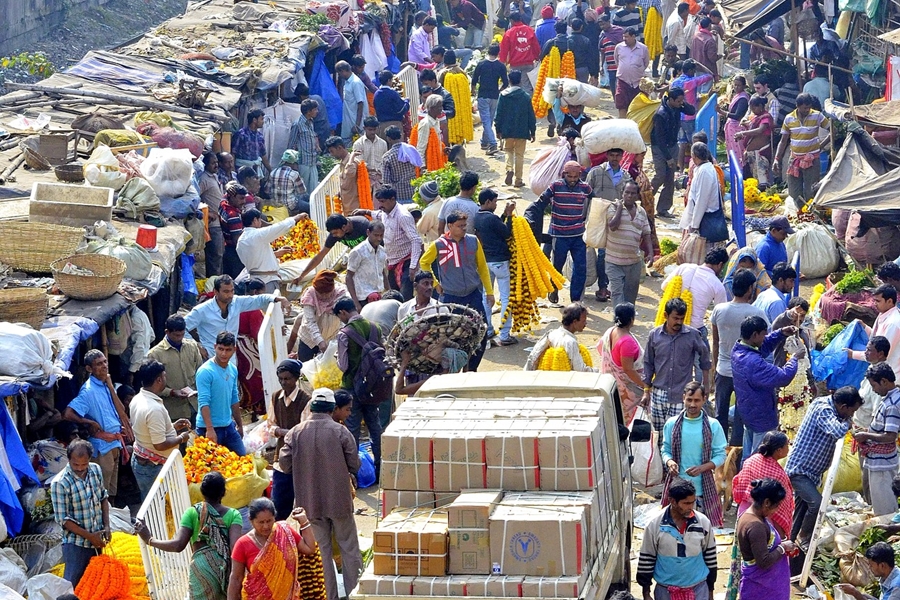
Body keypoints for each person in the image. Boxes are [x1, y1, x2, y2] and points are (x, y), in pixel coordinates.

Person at [279, 389, 362, 600]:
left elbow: (284, 465)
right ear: (332, 408)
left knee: (321, 552)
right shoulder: (341, 432)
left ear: (312, 407)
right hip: (339, 501)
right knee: (349, 549)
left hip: (309, 504)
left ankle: (328, 596)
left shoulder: (294, 433)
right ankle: (355, 594)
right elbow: (355, 464)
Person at [135, 472, 241, 600]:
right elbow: (235, 547)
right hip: (225, 570)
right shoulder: (234, 515)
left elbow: (178, 545)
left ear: (202, 491)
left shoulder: (192, 512)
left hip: (200, 570)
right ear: (223, 492)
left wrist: (149, 539)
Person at [786, 386, 862, 546]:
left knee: (801, 511)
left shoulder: (831, 408)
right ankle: (804, 538)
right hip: (800, 470)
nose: (851, 415)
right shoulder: (823, 409)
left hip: (812, 473)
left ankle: (791, 542)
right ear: (843, 407)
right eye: (851, 411)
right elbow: (837, 430)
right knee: (816, 504)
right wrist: (849, 423)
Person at [419, 210, 494, 371]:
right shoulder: (439, 244)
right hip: (451, 298)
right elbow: (424, 263)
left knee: (481, 332)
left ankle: (471, 369)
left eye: (464, 225)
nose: (464, 228)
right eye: (460, 226)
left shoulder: (473, 241)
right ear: (450, 226)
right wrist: (435, 284)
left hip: (473, 295)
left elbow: (482, 268)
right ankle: (454, 369)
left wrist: (489, 292)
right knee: (453, 336)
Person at [63, 350, 132, 502]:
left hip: (114, 443)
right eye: (99, 364)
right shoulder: (88, 391)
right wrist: (88, 422)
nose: (104, 366)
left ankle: (113, 520)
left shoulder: (105, 385)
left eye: (105, 362)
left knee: (112, 491)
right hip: (102, 447)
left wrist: (110, 385)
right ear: (89, 369)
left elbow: (121, 411)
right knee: (102, 493)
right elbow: (68, 413)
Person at [732, 316, 802, 460]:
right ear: (754, 335)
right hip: (761, 416)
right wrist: (795, 358)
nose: (765, 337)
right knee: (759, 459)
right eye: (764, 333)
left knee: (748, 455)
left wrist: (781, 333)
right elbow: (783, 376)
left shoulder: (739, 349)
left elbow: (762, 347)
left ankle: (743, 479)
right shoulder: (753, 362)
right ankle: (752, 481)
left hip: (748, 412)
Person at [711, 269, 769, 442]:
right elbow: (765, 343)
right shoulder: (757, 314)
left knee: (720, 411)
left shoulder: (719, 310)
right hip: (746, 372)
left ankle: (718, 449)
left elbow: (715, 342)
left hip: (723, 369)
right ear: (750, 289)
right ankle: (734, 453)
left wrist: (715, 367)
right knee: (740, 415)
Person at [227, 499, 325, 600]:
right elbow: (236, 579)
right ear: (251, 520)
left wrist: (304, 521)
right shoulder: (242, 544)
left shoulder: (285, 532)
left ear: (275, 517)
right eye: (261, 522)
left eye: (269, 521)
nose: (265, 526)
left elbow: (309, 548)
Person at [637, 478, 717, 600]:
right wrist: (646, 593)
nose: (691, 507)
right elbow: (647, 559)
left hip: (698, 589)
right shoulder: (654, 525)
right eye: (686, 503)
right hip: (666, 591)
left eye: (692, 502)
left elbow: (710, 558)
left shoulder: (703, 523)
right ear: (673, 502)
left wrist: (710, 591)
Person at [643, 298, 712, 435]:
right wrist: (646, 391)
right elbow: (648, 363)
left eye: (682, 318)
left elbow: (705, 358)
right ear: (666, 316)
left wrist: (706, 385)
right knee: (657, 434)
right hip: (659, 393)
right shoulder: (654, 335)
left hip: (681, 393)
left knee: (676, 434)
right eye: (675, 318)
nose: (679, 322)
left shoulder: (692, 335)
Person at [662, 382, 726, 526]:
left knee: (699, 531)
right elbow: (665, 450)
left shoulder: (713, 425)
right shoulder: (672, 424)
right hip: (677, 489)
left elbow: (721, 455)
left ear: (704, 399)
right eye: (689, 400)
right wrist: (669, 462)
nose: (692, 404)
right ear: (683, 398)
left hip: (701, 490)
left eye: (697, 400)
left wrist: (703, 468)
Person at [51, 439, 110, 588]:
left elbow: (103, 497)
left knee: (95, 584)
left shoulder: (95, 470)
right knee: (73, 585)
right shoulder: (60, 483)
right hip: (76, 544)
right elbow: (63, 520)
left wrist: (107, 525)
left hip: (97, 537)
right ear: (69, 459)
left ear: (89, 459)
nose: (80, 468)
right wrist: (90, 537)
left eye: (84, 464)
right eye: (75, 464)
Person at [184, 275, 289, 359]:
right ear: (216, 292)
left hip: (232, 361)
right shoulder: (202, 310)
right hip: (210, 359)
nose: (230, 295)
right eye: (226, 291)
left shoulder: (236, 302)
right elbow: (182, 328)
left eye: (232, 291)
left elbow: (258, 300)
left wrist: (278, 298)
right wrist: (197, 346)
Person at [334, 298, 384, 469]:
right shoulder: (375, 327)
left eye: (339, 316)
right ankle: (380, 467)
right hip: (374, 386)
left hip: (352, 387)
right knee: (375, 427)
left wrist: (336, 359)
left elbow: (344, 365)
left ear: (343, 312)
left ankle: (354, 472)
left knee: (352, 429)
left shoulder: (344, 333)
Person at [129, 359, 191, 499]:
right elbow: (159, 444)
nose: (165, 378)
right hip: (153, 467)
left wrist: (173, 426)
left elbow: (147, 430)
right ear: (158, 380)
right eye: (164, 375)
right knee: (157, 507)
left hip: (144, 461)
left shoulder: (138, 398)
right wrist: (181, 438)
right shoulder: (153, 409)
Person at [533, 161, 592, 303]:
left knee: (580, 268)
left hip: (578, 235)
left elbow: (595, 201)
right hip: (560, 235)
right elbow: (540, 202)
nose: (572, 180)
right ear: (564, 174)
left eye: (575, 177)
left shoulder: (585, 188)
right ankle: (554, 288)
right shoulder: (555, 186)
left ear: (579, 175)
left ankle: (576, 300)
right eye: (569, 176)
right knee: (557, 266)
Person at [355, 187, 423, 301]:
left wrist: (413, 266)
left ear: (392, 199)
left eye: (382, 202)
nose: (380, 205)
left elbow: (416, 240)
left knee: (405, 298)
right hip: (392, 262)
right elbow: (378, 214)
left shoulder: (403, 216)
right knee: (394, 297)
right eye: (379, 201)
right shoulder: (385, 212)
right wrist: (365, 211)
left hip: (406, 262)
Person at [853, 362, 900, 516]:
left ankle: (888, 531)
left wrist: (866, 435)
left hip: (882, 464)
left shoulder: (892, 404)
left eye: (874, 385)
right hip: (882, 460)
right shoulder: (890, 398)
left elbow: (890, 436)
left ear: (884, 382)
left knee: (884, 505)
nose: (873, 389)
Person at [735, 479, 795, 600]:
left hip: (763, 586)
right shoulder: (755, 526)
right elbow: (764, 562)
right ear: (767, 502)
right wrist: (783, 548)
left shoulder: (751, 516)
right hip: (762, 589)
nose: (777, 510)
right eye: (776, 505)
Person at [268, 359, 312, 520]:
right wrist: (284, 431)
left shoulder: (305, 400)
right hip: (281, 457)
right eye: (281, 379)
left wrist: (281, 431)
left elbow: (304, 432)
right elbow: (270, 426)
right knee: (279, 503)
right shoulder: (275, 398)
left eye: (287, 379)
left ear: (295, 379)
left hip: (301, 458)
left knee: (303, 505)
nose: (283, 382)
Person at [474, 189, 516, 345]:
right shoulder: (491, 218)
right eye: (494, 202)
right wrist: (510, 215)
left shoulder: (477, 217)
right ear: (487, 202)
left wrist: (504, 215)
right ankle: (505, 335)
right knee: (505, 298)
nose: (495, 205)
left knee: (487, 296)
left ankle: (488, 330)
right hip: (500, 261)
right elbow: (506, 233)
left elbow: (497, 226)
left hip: (486, 262)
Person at [732, 432, 794, 539]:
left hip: (744, 513)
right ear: (779, 450)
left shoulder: (751, 460)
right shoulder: (778, 475)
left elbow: (740, 483)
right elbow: (780, 509)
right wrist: (783, 538)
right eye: (787, 445)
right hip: (764, 520)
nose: (789, 448)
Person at [774, 93, 830, 209]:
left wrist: (821, 145)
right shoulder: (789, 118)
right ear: (797, 106)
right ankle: (799, 215)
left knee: (812, 191)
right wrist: (776, 159)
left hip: (812, 159)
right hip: (794, 160)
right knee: (794, 192)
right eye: (805, 108)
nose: (807, 110)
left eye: (809, 107)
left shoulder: (817, 116)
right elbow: (783, 141)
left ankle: (813, 215)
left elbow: (832, 130)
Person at [195, 332, 246, 456]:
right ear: (215, 347)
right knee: (211, 468)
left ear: (234, 350)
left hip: (228, 426)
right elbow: (204, 402)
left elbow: (234, 398)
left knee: (242, 459)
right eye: (221, 349)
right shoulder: (205, 371)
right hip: (208, 428)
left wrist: (240, 425)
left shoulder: (233, 369)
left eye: (228, 350)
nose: (224, 354)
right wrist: (210, 429)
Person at [147, 315, 204, 423]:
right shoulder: (155, 355)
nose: (179, 338)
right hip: (174, 412)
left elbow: (201, 372)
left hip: (197, 406)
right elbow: (151, 387)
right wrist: (172, 392)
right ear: (167, 332)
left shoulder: (192, 346)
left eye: (182, 335)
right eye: (176, 335)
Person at [606, 181, 654, 307]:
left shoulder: (641, 211)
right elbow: (612, 226)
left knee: (630, 297)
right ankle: (618, 321)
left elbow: (646, 233)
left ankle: (626, 322)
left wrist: (651, 252)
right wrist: (620, 209)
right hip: (613, 261)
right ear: (622, 193)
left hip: (633, 262)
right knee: (617, 293)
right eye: (627, 192)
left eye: (633, 193)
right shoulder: (613, 207)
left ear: (637, 196)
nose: (629, 196)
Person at [236, 210, 308, 293]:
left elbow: (256, 257)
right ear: (255, 220)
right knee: (272, 305)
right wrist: (298, 216)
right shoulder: (257, 235)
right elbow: (281, 226)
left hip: (252, 281)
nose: (260, 223)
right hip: (266, 282)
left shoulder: (241, 240)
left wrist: (276, 254)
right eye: (259, 220)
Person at [651, 88, 696, 218]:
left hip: (672, 145)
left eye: (681, 101)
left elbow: (691, 111)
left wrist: (683, 103)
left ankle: (663, 208)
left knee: (670, 178)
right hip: (659, 148)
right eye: (678, 101)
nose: (680, 103)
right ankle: (645, 200)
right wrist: (668, 157)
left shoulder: (677, 107)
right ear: (670, 100)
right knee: (660, 175)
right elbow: (659, 139)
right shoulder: (660, 114)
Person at [288, 270, 350, 361]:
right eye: (320, 294)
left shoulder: (340, 294)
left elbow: (344, 319)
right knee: (305, 367)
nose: (324, 296)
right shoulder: (310, 294)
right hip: (309, 339)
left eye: (327, 293)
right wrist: (320, 341)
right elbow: (310, 322)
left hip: (332, 336)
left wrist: (340, 338)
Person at [663, 248, 728, 333]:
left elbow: (664, 286)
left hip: (671, 325)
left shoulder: (684, 267)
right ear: (720, 265)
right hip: (695, 329)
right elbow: (721, 312)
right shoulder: (717, 285)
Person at [598, 303, 644, 420]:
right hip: (626, 390)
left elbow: (600, 348)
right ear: (631, 319)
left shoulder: (611, 331)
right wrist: (645, 386)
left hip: (611, 384)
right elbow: (628, 369)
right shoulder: (627, 342)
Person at [525, 302, 597, 372]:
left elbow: (534, 356)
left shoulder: (552, 333)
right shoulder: (570, 342)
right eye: (583, 321)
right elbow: (580, 370)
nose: (586, 323)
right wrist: (596, 371)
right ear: (575, 322)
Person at [495, 70, 536, 188]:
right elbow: (531, 116)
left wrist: (498, 129)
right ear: (520, 81)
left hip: (507, 130)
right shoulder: (525, 97)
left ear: (509, 81)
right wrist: (532, 131)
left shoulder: (503, 96)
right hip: (522, 130)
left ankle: (509, 169)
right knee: (519, 155)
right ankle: (518, 180)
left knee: (508, 150)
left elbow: (499, 114)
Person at [851, 284, 900, 378]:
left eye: (878, 301)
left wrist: (853, 354)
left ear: (889, 301)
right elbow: (876, 337)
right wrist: (864, 327)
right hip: (881, 370)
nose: (874, 304)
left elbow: (880, 354)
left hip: (891, 375)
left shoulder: (893, 324)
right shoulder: (884, 313)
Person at [671, 61, 714, 169]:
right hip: (688, 117)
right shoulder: (691, 82)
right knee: (696, 144)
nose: (695, 73)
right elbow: (710, 76)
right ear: (690, 70)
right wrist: (701, 66)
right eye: (694, 70)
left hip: (677, 116)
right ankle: (698, 166)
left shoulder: (674, 82)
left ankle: (681, 170)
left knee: (682, 144)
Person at [234, 278, 267, 418]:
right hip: (248, 347)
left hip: (237, 345)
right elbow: (257, 333)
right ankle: (256, 410)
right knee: (258, 377)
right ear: (255, 292)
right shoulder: (253, 309)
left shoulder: (234, 304)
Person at [471, 43, 508, 155]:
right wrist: (499, 90)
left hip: (483, 95)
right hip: (494, 96)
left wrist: (473, 90)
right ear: (498, 53)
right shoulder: (501, 66)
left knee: (486, 121)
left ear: (487, 52)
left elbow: (474, 79)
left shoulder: (481, 64)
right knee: (489, 120)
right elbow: (505, 83)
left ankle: (492, 144)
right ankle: (484, 141)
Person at [346, 220, 389, 310]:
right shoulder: (358, 251)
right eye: (376, 235)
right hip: (363, 299)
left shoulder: (382, 251)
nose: (379, 239)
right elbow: (349, 276)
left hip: (379, 296)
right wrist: (356, 303)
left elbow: (383, 272)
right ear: (368, 232)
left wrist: (389, 292)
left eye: (381, 235)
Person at [735, 96, 775, 188]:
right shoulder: (756, 118)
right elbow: (752, 129)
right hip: (753, 154)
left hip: (761, 152)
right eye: (751, 108)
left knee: (762, 178)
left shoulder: (766, 117)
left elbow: (760, 130)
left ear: (761, 106)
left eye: (754, 107)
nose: (752, 110)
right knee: (754, 177)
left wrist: (742, 133)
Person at [836, 542, 900, 600]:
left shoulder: (896, 586)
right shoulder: (888, 577)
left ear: (882, 566)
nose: (869, 567)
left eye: (871, 565)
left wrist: (856, 593)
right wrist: (861, 595)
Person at [198, 152, 225, 277]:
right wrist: (207, 213)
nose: (216, 165)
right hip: (212, 224)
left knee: (219, 255)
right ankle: (214, 284)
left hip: (219, 222)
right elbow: (195, 199)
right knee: (215, 256)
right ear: (206, 164)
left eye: (217, 162)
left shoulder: (213, 176)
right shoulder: (204, 179)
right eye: (213, 163)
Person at [614, 27, 650, 118]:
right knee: (621, 105)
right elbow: (617, 61)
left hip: (638, 83)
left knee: (638, 106)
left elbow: (646, 63)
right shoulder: (619, 47)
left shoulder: (643, 48)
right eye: (623, 37)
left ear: (634, 36)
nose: (624, 39)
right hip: (623, 81)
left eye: (627, 37)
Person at [287, 99, 321, 194]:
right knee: (302, 191)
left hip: (312, 161)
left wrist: (317, 146)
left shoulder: (310, 122)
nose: (317, 111)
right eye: (315, 109)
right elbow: (291, 145)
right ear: (309, 111)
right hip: (303, 162)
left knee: (313, 189)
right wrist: (293, 163)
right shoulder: (297, 124)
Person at [263, 151, 307, 220]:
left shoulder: (273, 172)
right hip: (290, 205)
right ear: (293, 163)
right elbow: (302, 191)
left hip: (275, 203)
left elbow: (267, 191)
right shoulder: (294, 174)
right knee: (309, 205)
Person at [382, 126, 420, 205]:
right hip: (413, 192)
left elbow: (386, 182)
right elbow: (419, 166)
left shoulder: (387, 156)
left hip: (398, 195)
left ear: (388, 139)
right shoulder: (411, 150)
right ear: (401, 135)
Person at [325, 136, 363, 214]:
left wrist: (352, 157)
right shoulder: (343, 163)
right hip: (348, 208)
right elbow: (347, 184)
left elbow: (349, 175)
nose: (331, 155)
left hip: (355, 209)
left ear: (339, 148)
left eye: (332, 151)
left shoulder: (353, 162)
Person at [499, 13, 540, 83]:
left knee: (515, 85)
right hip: (528, 63)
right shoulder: (529, 30)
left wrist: (502, 62)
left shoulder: (509, 33)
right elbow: (535, 47)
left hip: (515, 65)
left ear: (511, 21)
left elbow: (503, 50)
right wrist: (537, 58)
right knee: (526, 85)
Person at [770, 297, 811, 368]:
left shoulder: (803, 333)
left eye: (802, 315)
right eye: (797, 314)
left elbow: (807, 358)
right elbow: (779, 322)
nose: (799, 318)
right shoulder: (782, 330)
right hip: (782, 373)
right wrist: (789, 315)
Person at [219, 182, 248, 278]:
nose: (244, 201)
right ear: (231, 197)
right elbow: (237, 241)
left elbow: (225, 195)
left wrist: (228, 188)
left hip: (227, 250)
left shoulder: (223, 204)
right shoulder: (233, 215)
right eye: (241, 198)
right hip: (235, 254)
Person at [231, 109, 270, 179]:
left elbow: (263, 155)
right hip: (242, 171)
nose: (263, 122)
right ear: (254, 120)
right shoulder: (241, 134)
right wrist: (233, 170)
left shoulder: (260, 136)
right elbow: (233, 153)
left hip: (255, 172)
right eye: (261, 119)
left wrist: (270, 170)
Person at [716, 75, 749, 160]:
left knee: (738, 150)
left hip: (737, 128)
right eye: (735, 85)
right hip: (731, 127)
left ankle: (740, 169)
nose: (736, 87)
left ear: (744, 86)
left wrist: (722, 112)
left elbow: (737, 116)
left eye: (739, 85)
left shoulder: (743, 99)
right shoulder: (737, 95)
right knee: (731, 150)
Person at [352, 117, 388, 190]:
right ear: (364, 128)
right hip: (365, 179)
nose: (372, 132)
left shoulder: (383, 143)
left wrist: (378, 172)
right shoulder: (358, 144)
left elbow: (385, 161)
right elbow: (359, 162)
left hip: (381, 180)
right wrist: (371, 170)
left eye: (374, 129)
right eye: (370, 130)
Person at [295, 83, 333, 149]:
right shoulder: (317, 97)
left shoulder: (308, 105)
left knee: (318, 150)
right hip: (326, 127)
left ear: (301, 96)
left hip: (319, 130)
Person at [336, 61, 366, 144]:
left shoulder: (355, 82)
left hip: (355, 127)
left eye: (339, 73)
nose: (339, 75)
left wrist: (357, 125)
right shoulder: (347, 82)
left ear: (343, 71)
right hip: (348, 125)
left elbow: (360, 104)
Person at [374, 72, 410, 139]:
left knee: (385, 148)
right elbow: (402, 109)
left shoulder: (376, 94)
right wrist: (407, 101)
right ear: (388, 80)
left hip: (381, 126)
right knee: (397, 147)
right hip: (395, 125)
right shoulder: (393, 93)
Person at [599, 14, 625, 93]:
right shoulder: (602, 35)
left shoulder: (619, 31)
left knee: (622, 86)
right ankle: (616, 102)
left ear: (609, 22)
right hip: (610, 66)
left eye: (604, 24)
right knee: (613, 86)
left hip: (621, 64)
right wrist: (601, 66)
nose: (602, 26)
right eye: (600, 25)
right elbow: (602, 52)